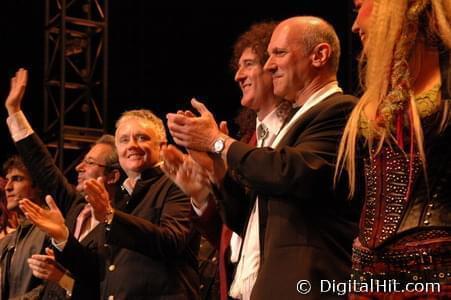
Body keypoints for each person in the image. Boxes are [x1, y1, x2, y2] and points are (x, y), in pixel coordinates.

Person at [167, 16, 360, 299]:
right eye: (268, 56)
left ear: (319, 55)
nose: (270, 65)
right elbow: (248, 221)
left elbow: (290, 172)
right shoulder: (295, 124)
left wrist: (218, 141)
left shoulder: (341, 110)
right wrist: (217, 170)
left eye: (279, 53)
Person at [162, 21, 294, 300]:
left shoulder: (294, 137)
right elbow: (235, 236)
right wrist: (203, 189)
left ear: (272, 67)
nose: (238, 76)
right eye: (239, 66)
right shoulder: (247, 144)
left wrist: (215, 144)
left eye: (248, 64)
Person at [336, 0, 451, 298]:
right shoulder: (376, 97)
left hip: (437, 274)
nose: (355, 24)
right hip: (367, 275)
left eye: (360, 6)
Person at [22, 109, 201, 299]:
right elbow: (97, 269)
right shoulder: (120, 197)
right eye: (124, 140)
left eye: (142, 138)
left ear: (162, 145)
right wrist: (63, 237)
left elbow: (171, 241)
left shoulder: (176, 182)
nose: (131, 145)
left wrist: (110, 216)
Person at [5, 68, 121, 299]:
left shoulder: (121, 223)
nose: (79, 167)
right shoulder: (75, 206)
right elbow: (41, 163)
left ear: (113, 176)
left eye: (89, 162)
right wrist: (14, 111)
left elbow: (101, 287)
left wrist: (62, 277)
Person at [0, 155, 47, 300]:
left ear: (37, 186)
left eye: (17, 179)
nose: (8, 187)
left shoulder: (51, 231)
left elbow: (57, 284)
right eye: (8, 179)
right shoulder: (8, 241)